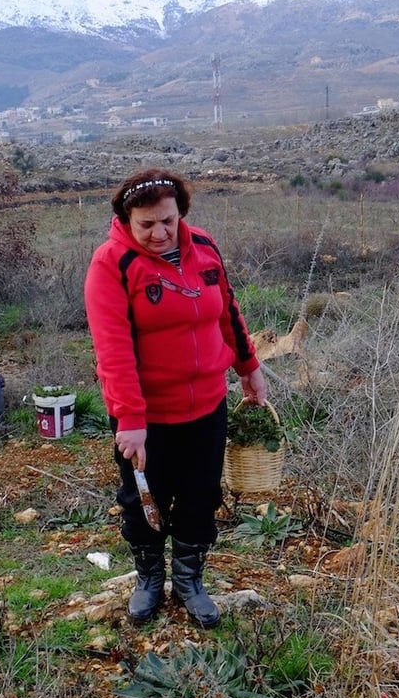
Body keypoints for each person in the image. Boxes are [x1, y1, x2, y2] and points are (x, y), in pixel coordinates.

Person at [83, 168, 267, 629]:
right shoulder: (111, 264)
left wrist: (249, 368)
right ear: (127, 221)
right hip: (146, 417)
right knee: (144, 497)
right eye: (146, 225)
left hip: (207, 404)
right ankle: (149, 580)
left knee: (201, 495)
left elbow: (227, 309)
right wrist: (129, 419)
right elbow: (113, 350)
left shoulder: (203, 247)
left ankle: (189, 581)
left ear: (180, 213)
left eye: (167, 221)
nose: (159, 233)